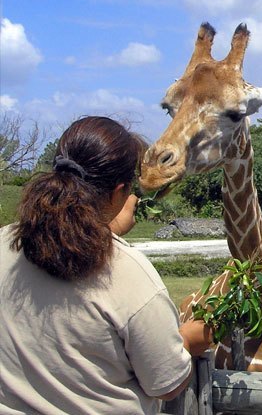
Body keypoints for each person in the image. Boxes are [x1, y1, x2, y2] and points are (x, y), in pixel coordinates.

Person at [0, 116, 213, 414]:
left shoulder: (7, 242)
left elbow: (62, 244)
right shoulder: (129, 274)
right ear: (118, 193)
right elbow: (167, 384)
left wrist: (107, 229)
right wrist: (187, 340)